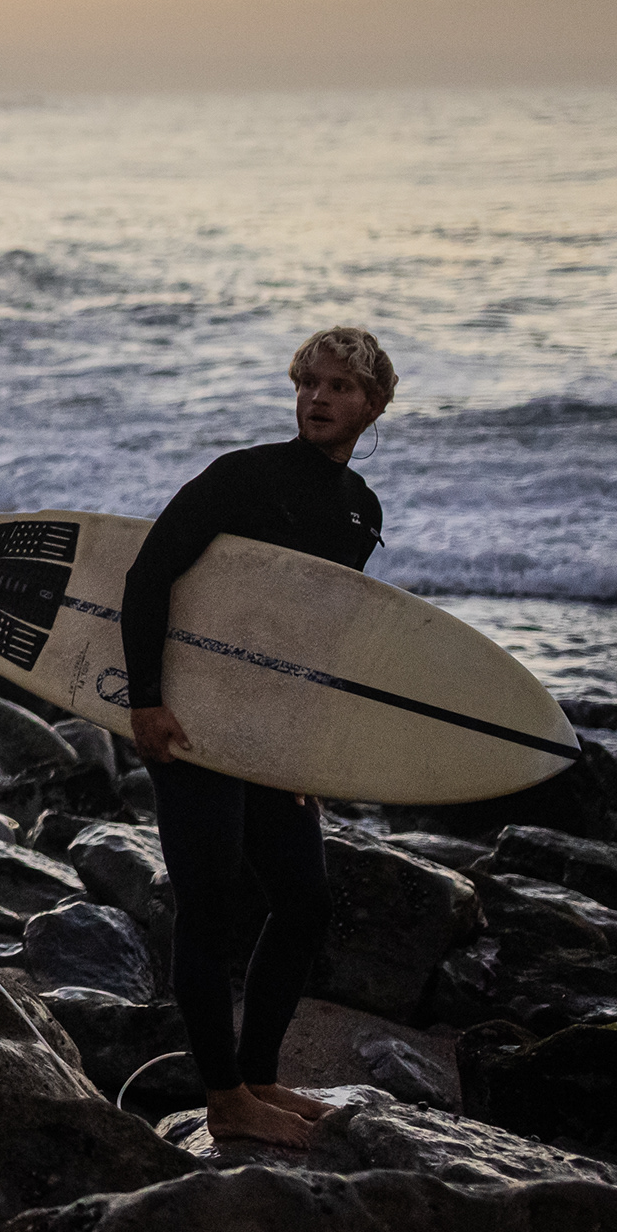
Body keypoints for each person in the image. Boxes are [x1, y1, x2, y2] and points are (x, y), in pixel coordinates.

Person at [122, 325, 394, 1153]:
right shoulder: (244, 477)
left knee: (304, 899)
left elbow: (311, 642)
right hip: (192, 717)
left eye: (339, 386)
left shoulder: (361, 510)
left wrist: (300, 748)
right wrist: (147, 702)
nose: (318, 397)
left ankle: (260, 1075)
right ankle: (224, 1099)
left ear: (374, 404)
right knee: (208, 903)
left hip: (265, 732)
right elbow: (148, 574)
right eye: (309, 382)